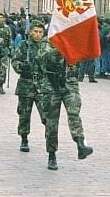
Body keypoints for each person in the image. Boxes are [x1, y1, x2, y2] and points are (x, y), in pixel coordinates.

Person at [39, 40, 93, 171]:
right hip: (51, 85)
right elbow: (44, 57)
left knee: (74, 114)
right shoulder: (47, 41)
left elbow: (82, 56)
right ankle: (52, 155)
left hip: (70, 84)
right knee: (51, 122)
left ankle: (80, 143)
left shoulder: (74, 39)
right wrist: (62, 47)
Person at [11, 20, 46, 152]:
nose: (37, 34)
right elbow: (14, 61)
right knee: (24, 114)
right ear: (30, 32)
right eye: (35, 32)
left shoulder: (47, 46)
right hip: (26, 84)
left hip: (42, 86)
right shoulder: (24, 46)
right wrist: (21, 67)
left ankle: (50, 141)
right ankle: (24, 139)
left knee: (47, 115)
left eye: (40, 32)